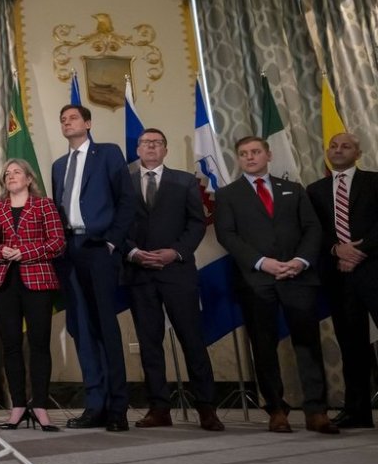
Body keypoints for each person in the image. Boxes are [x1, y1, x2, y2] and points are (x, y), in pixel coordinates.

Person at [215, 135, 338, 434]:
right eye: (243, 154)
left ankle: (316, 412)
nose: (250, 157)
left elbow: (313, 228)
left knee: (307, 344)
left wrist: (300, 261)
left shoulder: (293, 190)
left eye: (256, 152)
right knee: (264, 346)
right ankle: (276, 410)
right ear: (238, 159)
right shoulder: (228, 195)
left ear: (268, 155)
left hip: (298, 276)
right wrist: (262, 262)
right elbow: (227, 235)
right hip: (257, 280)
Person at [123, 128, 223, 431]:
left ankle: (207, 408)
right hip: (140, 273)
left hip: (177, 271)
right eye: (145, 143)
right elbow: (118, 225)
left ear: (165, 150)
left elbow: (196, 224)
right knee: (149, 343)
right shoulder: (123, 183)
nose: (151, 147)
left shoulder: (184, 181)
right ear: (138, 149)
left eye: (157, 143)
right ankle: (159, 408)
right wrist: (134, 253)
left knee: (192, 340)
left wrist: (175, 253)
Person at [50, 104, 134, 432]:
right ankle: (94, 404)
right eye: (63, 119)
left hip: (99, 248)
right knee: (82, 330)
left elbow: (126, 201)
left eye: (72, 118)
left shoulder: (108, 154)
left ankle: (118, 407)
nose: (66, 122)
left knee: (105, 329)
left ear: (87, 123)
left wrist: (113, 242)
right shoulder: (58, 166)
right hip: (70, 252)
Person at [0, 158, 65, 432]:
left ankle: (40, 406)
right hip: (5, 283)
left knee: (39, 344)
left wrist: (25, 252)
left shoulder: (45, 205)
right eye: (7, 174)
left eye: (17, 172)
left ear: (29, 179)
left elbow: (57, 243)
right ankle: (18, 406)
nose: (11, 176)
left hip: (38, 281)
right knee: (11, 346)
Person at [307, 132, 378, 429]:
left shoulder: (375, 182)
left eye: (345, 146)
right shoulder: (315, 189)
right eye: (333, 146)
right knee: (352, 345)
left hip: (373, 270)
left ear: (358, 153)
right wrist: (338, 249)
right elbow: (313, 230)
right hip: (339, 276)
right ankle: (357, 411)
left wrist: (360, 251)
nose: (338, 150)